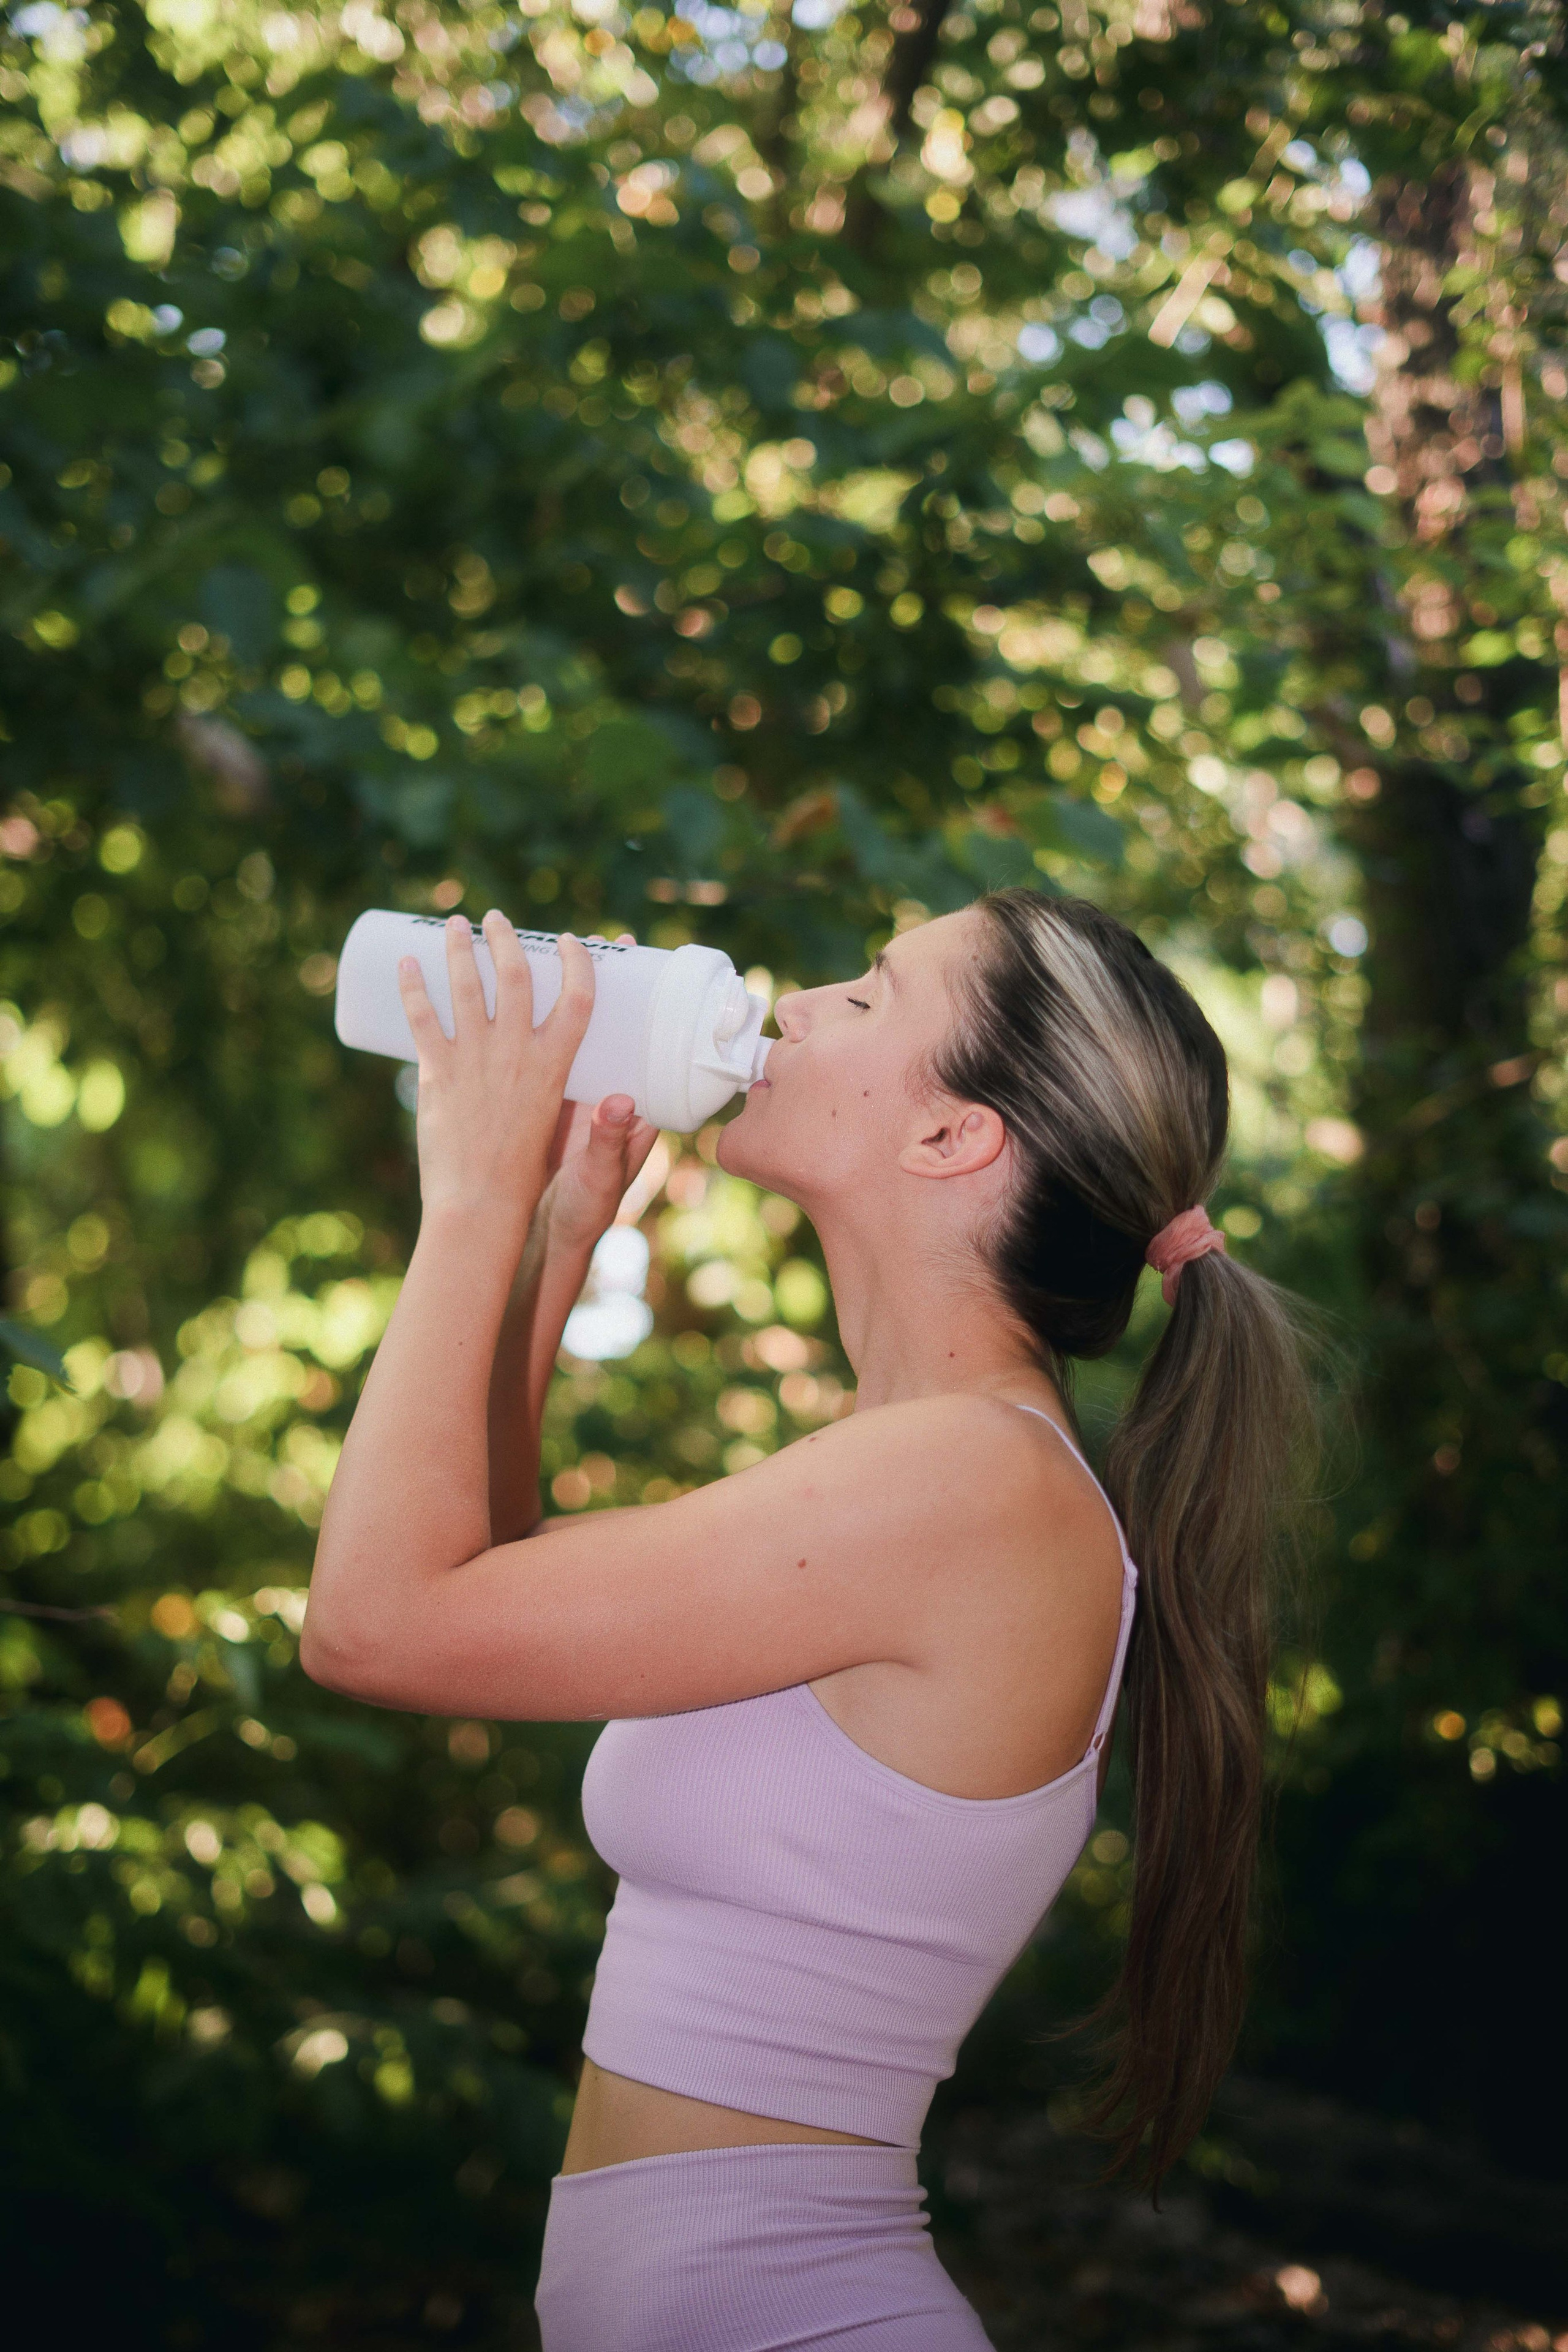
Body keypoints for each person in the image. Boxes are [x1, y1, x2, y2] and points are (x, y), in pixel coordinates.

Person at [302, 888, 1318, 2351]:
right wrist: (550, 1230)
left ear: (950, 1136)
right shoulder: (921, 1472)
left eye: (865, 997)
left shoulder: (968, 1486)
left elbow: (372, 1630)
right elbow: (482, 1573)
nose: (790, 1005)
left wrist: (464, 1195)